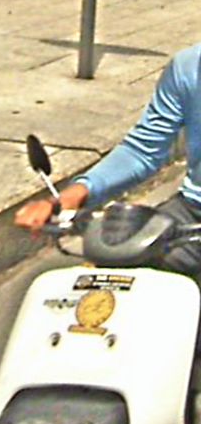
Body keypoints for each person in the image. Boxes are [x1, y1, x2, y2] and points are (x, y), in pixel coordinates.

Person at [15, 42, 201, 276]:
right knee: (121, 272)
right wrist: (73, 196)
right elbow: (142, 149)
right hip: (192, 211)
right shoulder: (187, 66)